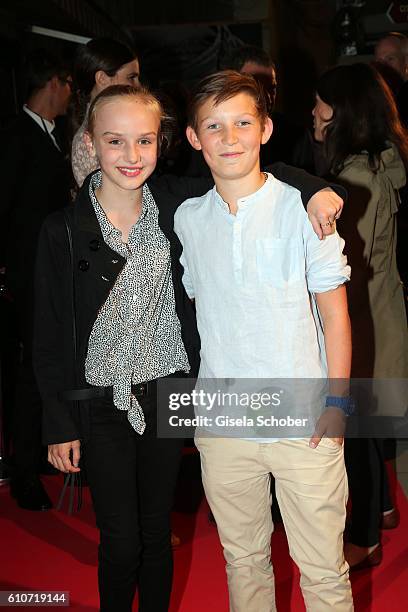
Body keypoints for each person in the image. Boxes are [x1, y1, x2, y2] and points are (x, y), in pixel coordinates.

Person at [33, 81, 347, 611]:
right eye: (115, 142)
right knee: (137, 542)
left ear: (163, 143)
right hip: (144, 407)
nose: (131, 156)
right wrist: (58, 421)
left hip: (197, 397)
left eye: (145, 141)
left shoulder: (180, 204)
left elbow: (248, 170)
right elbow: (49, 332)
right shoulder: (90, 226)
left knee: (166, 533)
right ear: (92, 142)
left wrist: (314, 186)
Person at [174, 70, 354, 612]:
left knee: (323, 571)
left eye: (243, 123)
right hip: (223, 421)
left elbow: (337, 318)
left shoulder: (306, 208)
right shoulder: (186, 219)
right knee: (243, 561)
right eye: (214, 126)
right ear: (192, 137)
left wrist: (339, 401)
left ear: (266, 129)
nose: (229, 138)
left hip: (304, 421)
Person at [313, 62, 408, 569]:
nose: (313, 111)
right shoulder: (384, 162)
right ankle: (384, 509)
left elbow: (346, 264)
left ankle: (364, 531)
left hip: (365, 319)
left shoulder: (351, 178)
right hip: (385, 310)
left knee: (360, 427)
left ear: (342, 112)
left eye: (320, 103)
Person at [0, 49, 72, 511]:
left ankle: (39, 455)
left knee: (42, 368)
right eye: (69, 85)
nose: (72, 95)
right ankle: (21, 468)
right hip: (23, 278)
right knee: (26, 374)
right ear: (55, 83)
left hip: (42, 274)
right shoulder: (15, 135)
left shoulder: (48, 136)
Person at [71, 37, 140, 187]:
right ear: (102, 78)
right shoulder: (87, 140)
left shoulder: (116, 125)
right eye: (131, 77)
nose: (138, 85)